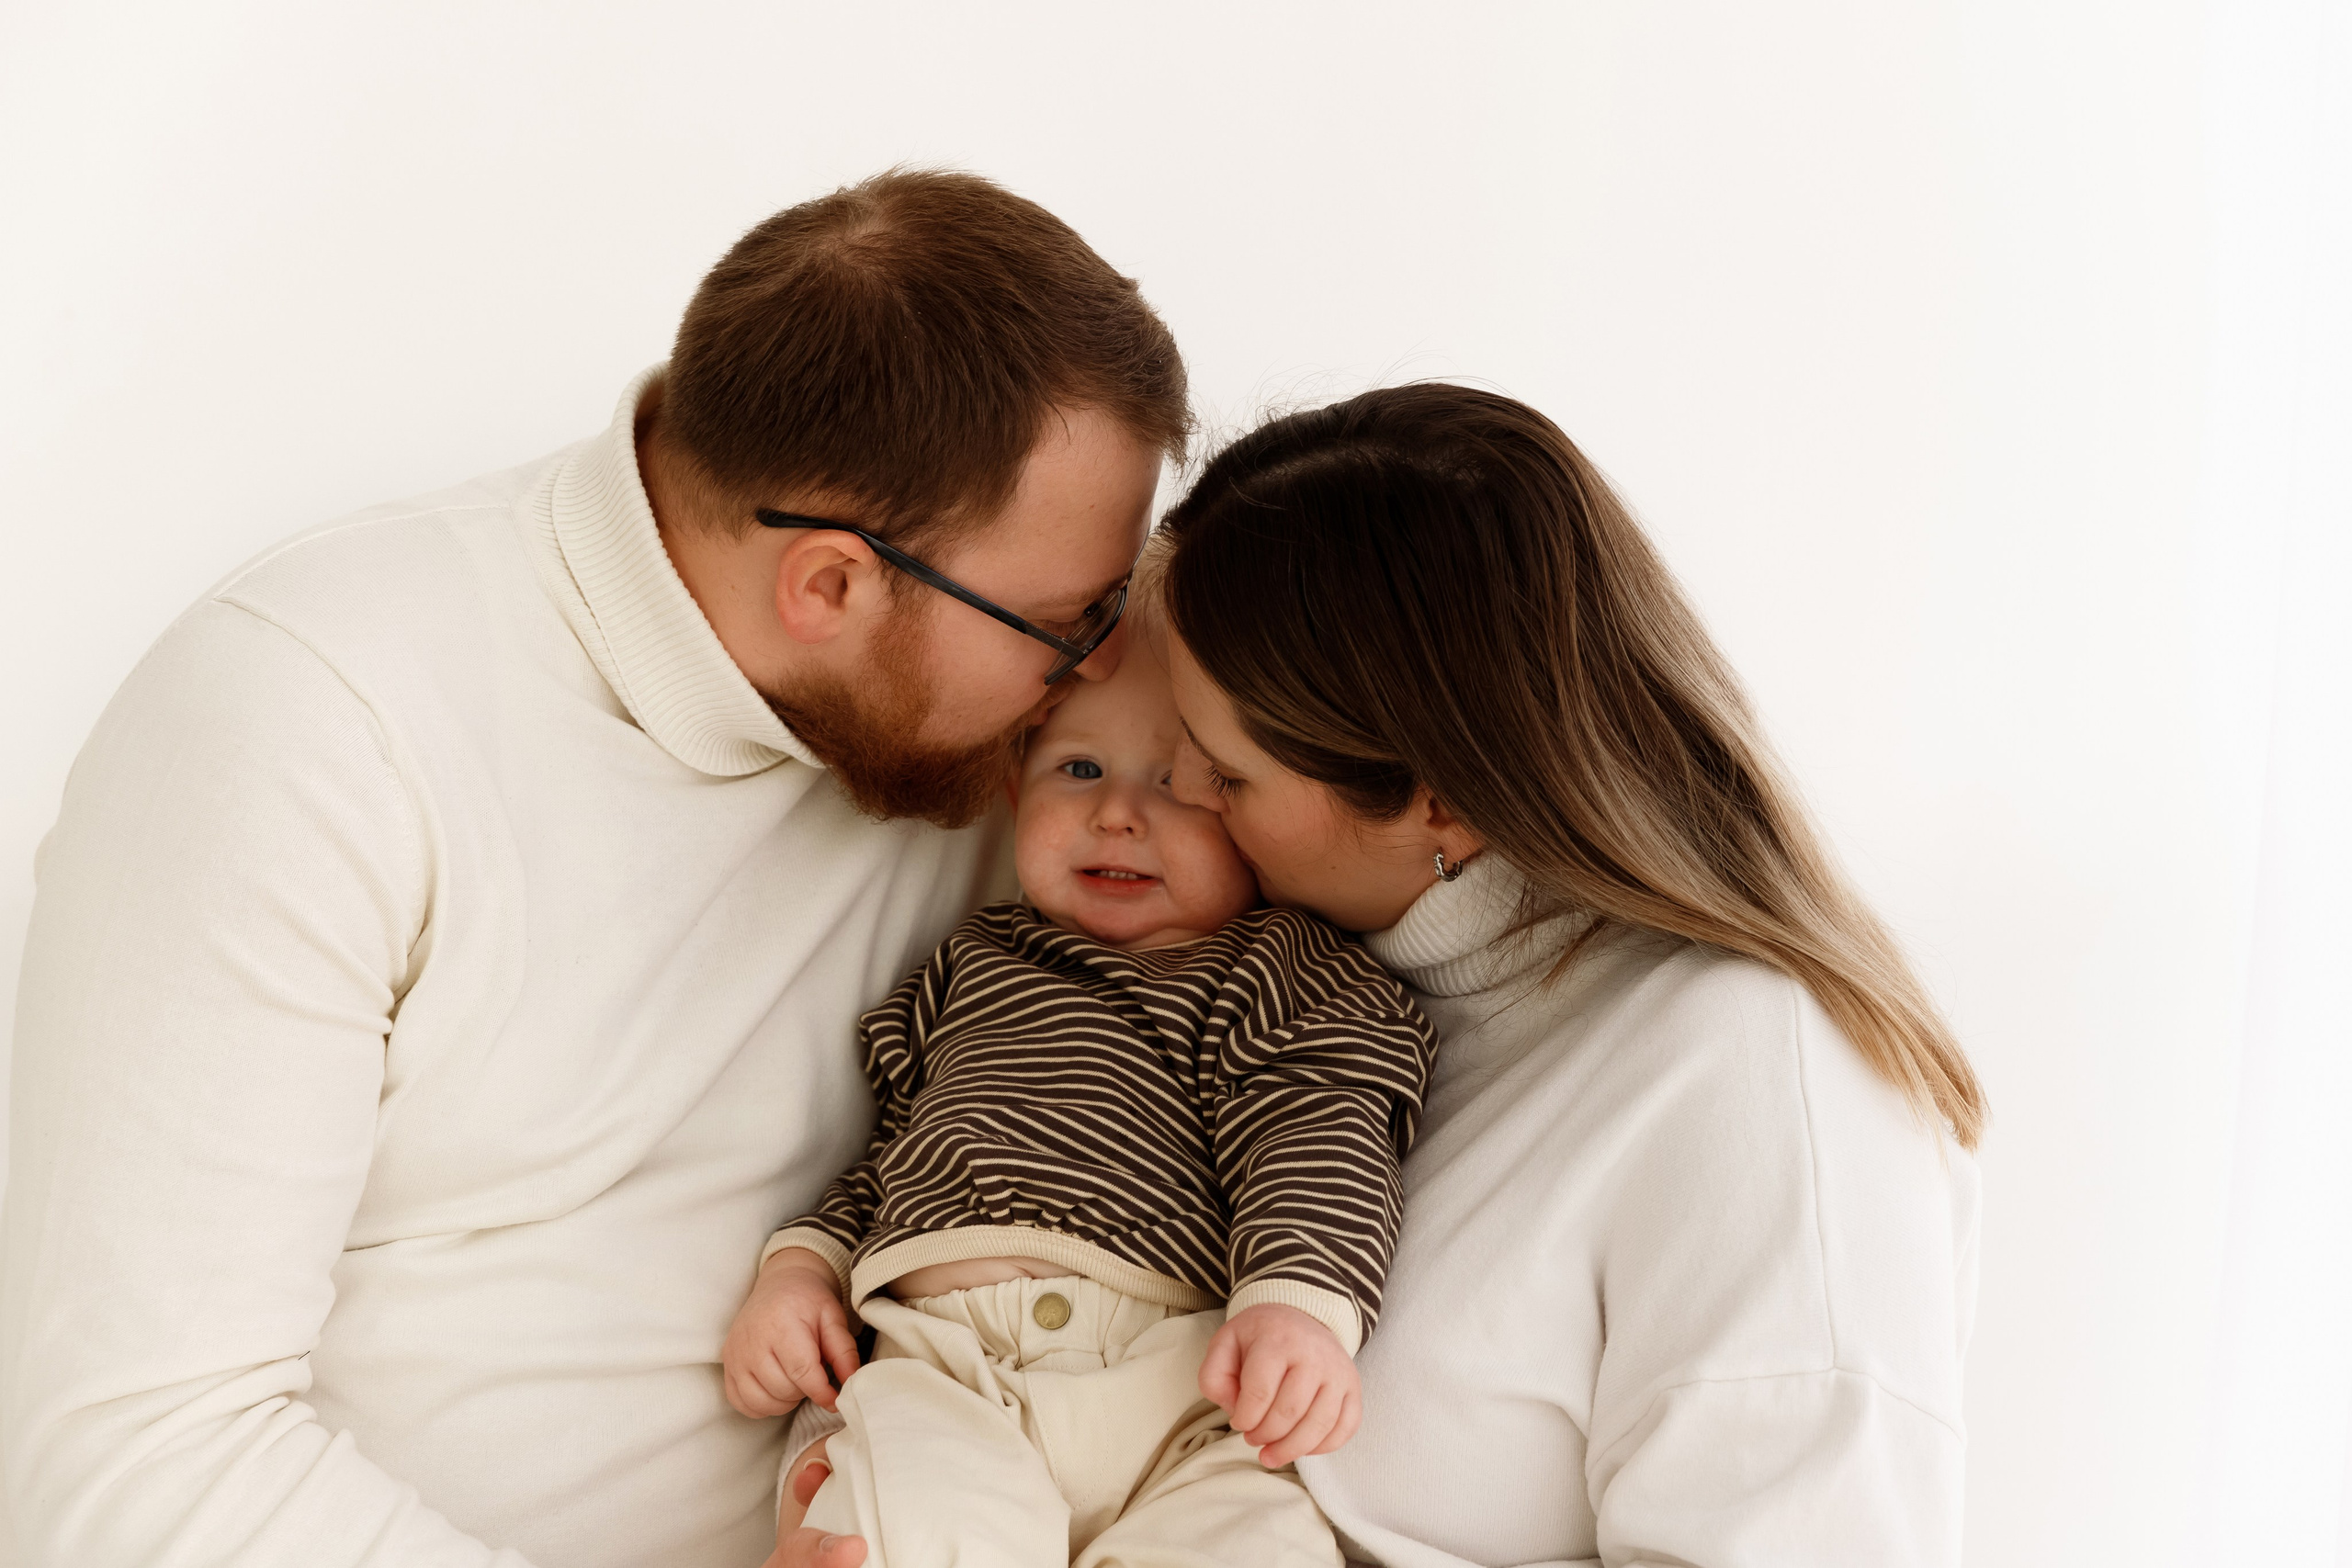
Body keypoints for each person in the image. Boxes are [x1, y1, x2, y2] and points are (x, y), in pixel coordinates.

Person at [0, 169, 1187, 1568]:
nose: (1108, 669)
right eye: (1073, 618)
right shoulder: (310, 711)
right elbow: (131, 1468)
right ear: (829, 586)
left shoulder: (1003, 737)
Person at [1153, 385, 1986, 1567]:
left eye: (1226, 771)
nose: (1177, 791)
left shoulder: (1757, 1079)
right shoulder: (1295, 997)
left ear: (1440, 798)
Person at [724, 634, 1436, 1566]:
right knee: (893, 1525)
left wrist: (1298, 1305)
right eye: (1081, 768)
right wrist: (799, 1271)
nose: (1116, 814)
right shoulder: (968, 968)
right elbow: (899, 1151)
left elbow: (1316, 1138)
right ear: (1018, 787)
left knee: (1253, 1542)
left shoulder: (1281, 971)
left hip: (1186, 1389)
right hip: (947, 1372)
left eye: (1181, 787)